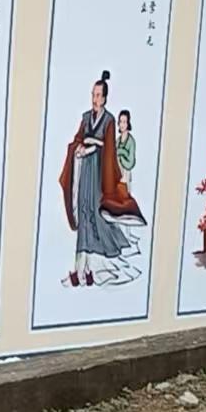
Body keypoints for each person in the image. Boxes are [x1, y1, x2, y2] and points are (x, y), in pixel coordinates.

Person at [57, 70, 145, 286]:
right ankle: (81, 270)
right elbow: (77, 139)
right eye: (93, 95)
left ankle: (84, 270)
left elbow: (109, 148)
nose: (94, 99)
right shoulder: (86, 117)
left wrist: (93, 145)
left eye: (98, 95)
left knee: (93, 216)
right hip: (84, 171)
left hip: (99, 174)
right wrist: (79, 148)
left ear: (104, 98)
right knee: (83, 214)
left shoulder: (109, 120)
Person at [115, 109, 136, 185]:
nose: (122, 124)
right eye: (120, 121)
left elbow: (131, 162)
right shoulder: (118, 140)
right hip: (117, 174)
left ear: (128, 123)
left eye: (124, 122)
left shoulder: (131, 141)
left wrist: (121, 153)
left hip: (126, 175)